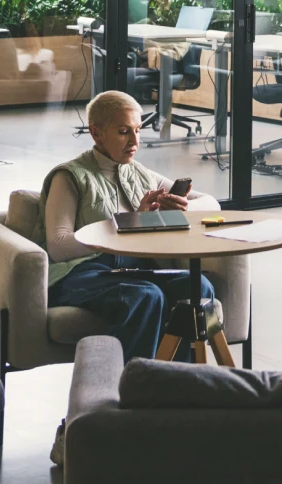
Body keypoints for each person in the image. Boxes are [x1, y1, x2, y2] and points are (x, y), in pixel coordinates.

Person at [39, 91, 219, 465]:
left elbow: (211, 204)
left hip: (131, 269)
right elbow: (58, 246)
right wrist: (128, 222)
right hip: (81, 273)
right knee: (145, 296)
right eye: (124, 132)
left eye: (138, 130)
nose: (135, 141)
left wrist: (180, 206)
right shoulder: (70, 176)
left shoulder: (139, 173)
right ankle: (95, 422)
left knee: (198, 288)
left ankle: (173, 406)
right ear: (96, 132)